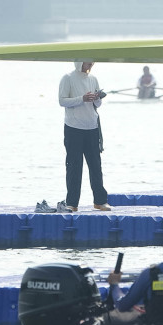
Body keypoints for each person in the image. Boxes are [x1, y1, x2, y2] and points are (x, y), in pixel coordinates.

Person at [57, 59, 112, 212]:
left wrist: (97, 98)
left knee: (96, 165)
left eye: (92, 63)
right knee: (74, 165)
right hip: (73, 127)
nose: (90, 66)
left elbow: (98, 105)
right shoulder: (67, 78)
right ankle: (72, 202)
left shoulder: (93, 79)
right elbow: (62, 101)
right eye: (88, 63)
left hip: (92, 126)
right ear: (79, 62)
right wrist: (82, 98)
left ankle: (100, 201)